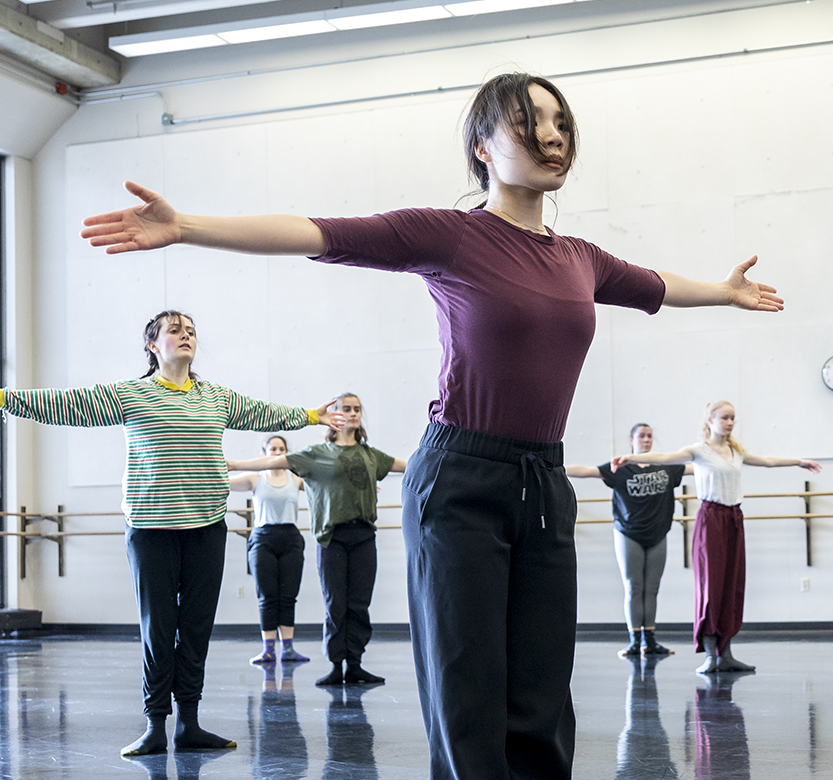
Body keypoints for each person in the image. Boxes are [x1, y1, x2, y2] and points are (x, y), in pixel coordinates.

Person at [76, 72, 785, 778]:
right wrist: (187, 226)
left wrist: (723, 292)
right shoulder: (451, 236)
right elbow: (318, 232)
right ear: (481, 145)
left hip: (542, 485)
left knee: (541, 700)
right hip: (460, 481)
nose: (551, 135)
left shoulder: (581, 259)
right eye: (529, 121)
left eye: (560, 122)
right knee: (468, 696)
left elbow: (657, 285)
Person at [0, 310, 342, 756]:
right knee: (158, 629)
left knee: (195, 628)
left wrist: (308, 415)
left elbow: (264, 414)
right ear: (153, 345)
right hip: (151, 529)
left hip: (207, 526)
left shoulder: (216, 397)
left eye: (190, 331)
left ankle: (189, 721)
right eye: (175, 330)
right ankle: (155, 724)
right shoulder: (131, 394)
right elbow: (66, 403)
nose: (186, 336)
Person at [613, 401, 821, 673]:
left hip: (734, 519)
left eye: (733, 418)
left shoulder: (736, 450)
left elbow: (767, 461)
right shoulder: (699, 451)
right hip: (711, 519)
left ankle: (727, 652)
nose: (730, 422)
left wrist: (798, 461)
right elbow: (667, 457)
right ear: (710, 420)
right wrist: (630, 458)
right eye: (725, 417)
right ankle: (711, 654)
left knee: (732, 585)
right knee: (711, 587)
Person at [229, 392, 406, 687]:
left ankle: (356, 664)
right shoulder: (316, 455)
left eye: (356, 409)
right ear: (334, 415)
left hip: (363, 535)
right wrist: (234, 464)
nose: (351, 413)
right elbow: (275, 461)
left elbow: (407, 467)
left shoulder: (371, 455)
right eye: (345, 409)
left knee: (359, 603)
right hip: (332, 538)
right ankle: (336, 665)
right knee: (335, 602)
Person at [563, 422, 692, 657]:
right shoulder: (620, 467)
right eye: (641, 436)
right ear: (632, 440)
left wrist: (722, 461)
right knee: (634, 587)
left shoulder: (666, 466)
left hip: (658, 533)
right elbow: (587, 471)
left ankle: (650, 640)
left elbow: (699, 468)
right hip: (628, 533)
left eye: (650, 435)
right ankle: (634, 641)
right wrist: (554, 467)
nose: (646, 439)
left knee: (652, 588)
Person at [228, 434, 308, 666]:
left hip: (291, 538)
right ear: (265, 453)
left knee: (288, 596)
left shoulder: (295, 479)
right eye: (272, 449)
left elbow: (326, 483)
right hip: (263, 539)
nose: (277, 452)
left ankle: (289, 649)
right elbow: (223, 480)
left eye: (281, 448)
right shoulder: (255, 477)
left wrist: (359, 485)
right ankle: (268, 650)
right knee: (267, 596)